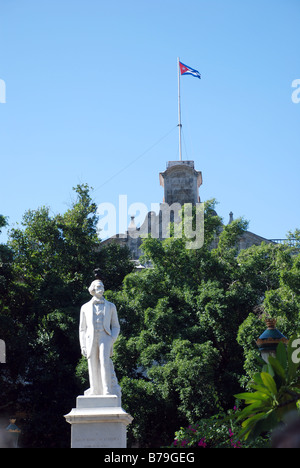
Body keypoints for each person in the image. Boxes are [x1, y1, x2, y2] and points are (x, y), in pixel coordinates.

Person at [79, 275, 120, 395]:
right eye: (98, 287)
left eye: (102, 286)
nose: (101, 288)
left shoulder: (111, 306)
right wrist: (83, 346)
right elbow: (82, 329)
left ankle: (106, 389)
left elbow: (116, 326)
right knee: (92, 363)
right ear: (93, 289)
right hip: (90, 338)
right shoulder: (85, 307)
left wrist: (112, 338)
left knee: (104, 361)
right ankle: (94, 389)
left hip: (105, 337)